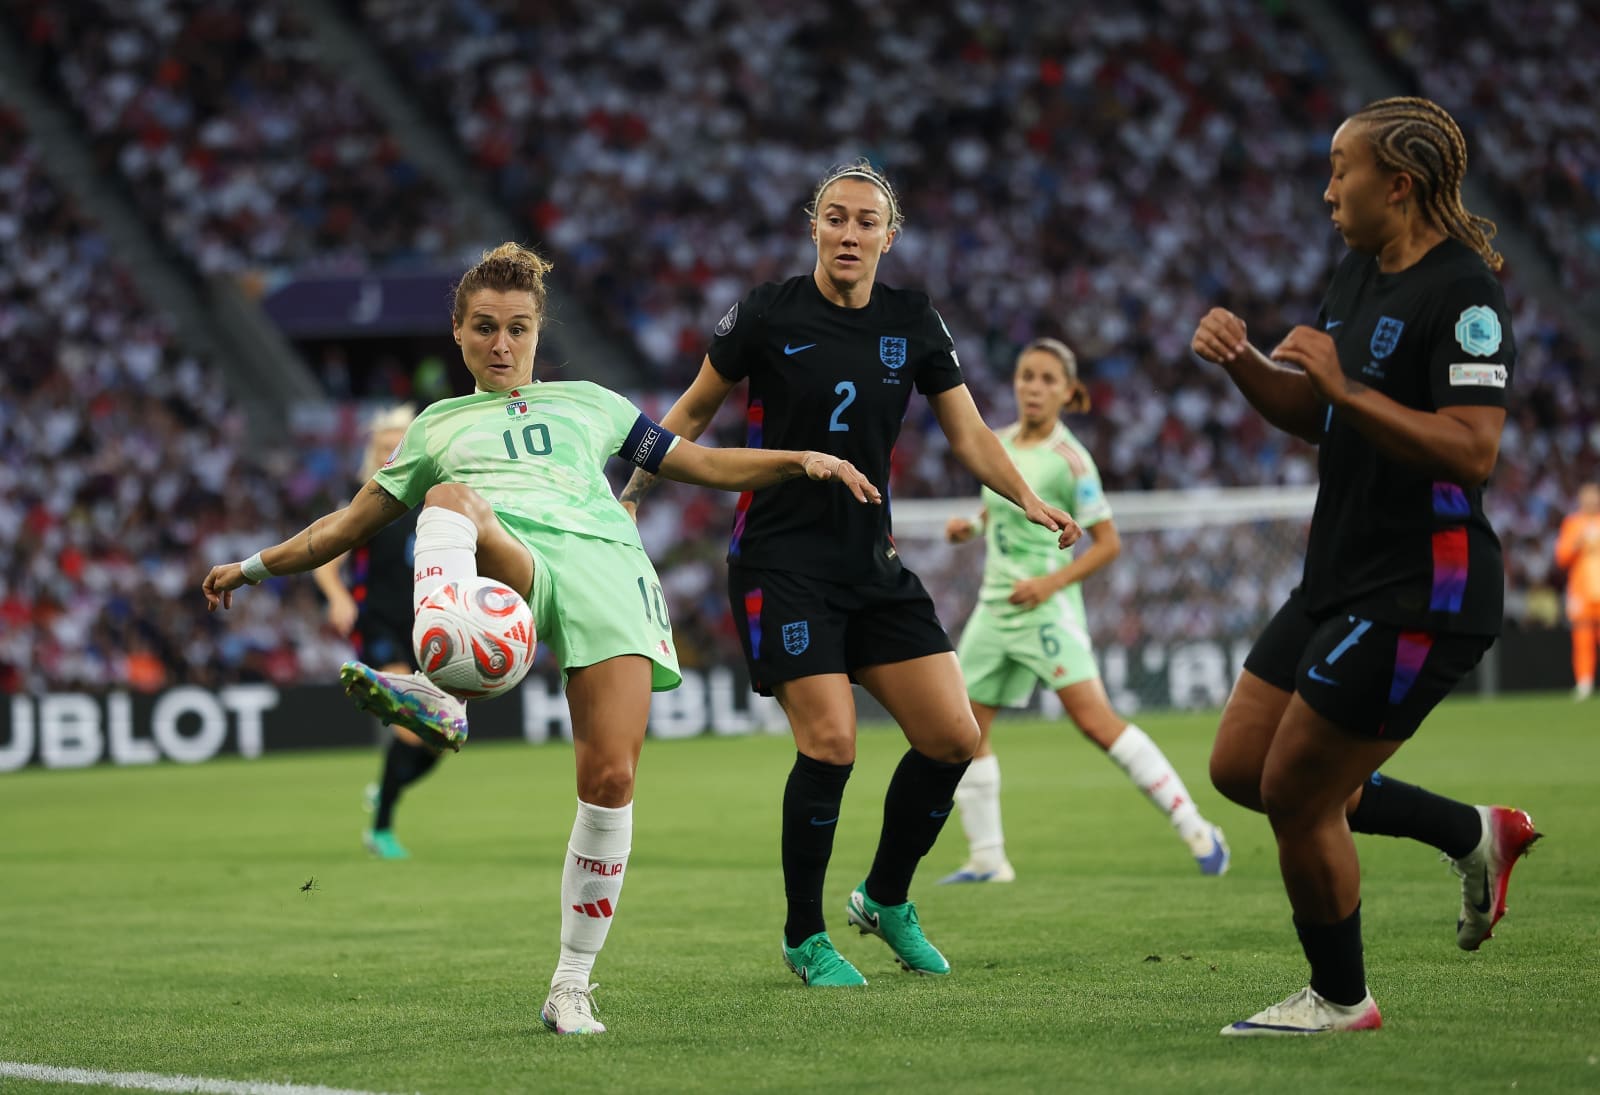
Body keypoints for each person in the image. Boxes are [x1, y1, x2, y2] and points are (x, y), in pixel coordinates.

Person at [202, 242, 882, 1035]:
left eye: (517, 328)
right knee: (448, 500)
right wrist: (252, 566)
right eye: (484, 327)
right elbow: (343, 527)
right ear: (458, 333)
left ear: (536, 331)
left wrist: (800, 458)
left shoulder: (591, 403)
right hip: (514, 560)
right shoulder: (434, 427)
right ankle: (438, 686)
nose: (501, 344)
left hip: (608, 574)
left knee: (611, 779)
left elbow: (698, 460)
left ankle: (570, 986)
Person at [619, 161, 1082, 987]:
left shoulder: (913, 320)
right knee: (831, 743)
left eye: (867, 221)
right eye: (835, 217)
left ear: (888, 237)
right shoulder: (767, 311)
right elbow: (691, 411)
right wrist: (631, 497)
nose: (849, 232)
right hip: (780, 561)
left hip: (871, 562)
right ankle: (804, 934)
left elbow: (971, 435)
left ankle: (885, 896)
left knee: (954, 737)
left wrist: (1026, 497)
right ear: (814, 227)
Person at [1192, 98, 1540, 1037]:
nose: (1327, 189)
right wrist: (1243, 363)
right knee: (1242, 766)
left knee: (1295, 794)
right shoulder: (1356, 270)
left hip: (1425, 585)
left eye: (1341, 168)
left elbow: (1473, 448)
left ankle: (1341, 999)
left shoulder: (1464, 294)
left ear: (1399, 184)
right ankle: (1471, 832)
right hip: (1340, 572)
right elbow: (1319, 412)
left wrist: (1344, 387)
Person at [938, 338, 1229, 885]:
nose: (1033, 387)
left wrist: (1049, 584)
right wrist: (970, 527)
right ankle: (988, 858)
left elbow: (1108, 543)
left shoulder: (1071, 459)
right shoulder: (997, 443)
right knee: (966, 731)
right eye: (1026, 376)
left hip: (1046, 611)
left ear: (1068, 392)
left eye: (1047, 379)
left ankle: (1196, 827)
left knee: (1096, 723)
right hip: (994, 610)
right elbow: (997, 508)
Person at [311, 405, 433, 860]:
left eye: (397, 445)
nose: (390, 453)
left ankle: (386, 789)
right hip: (378, 625)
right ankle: (381, 830)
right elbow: (325, 559)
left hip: (427, 627)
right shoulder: (366, 502)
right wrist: (338, 597)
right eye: (383, 446)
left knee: (440, 740)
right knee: (411, 725)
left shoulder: (432, 501)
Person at [1554, 482, 1600, 700]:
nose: (1591, 501)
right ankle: (1584, 682)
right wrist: (1578, 543)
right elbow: (1562, 557)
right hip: (1581, 591)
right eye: (1587, 497)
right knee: (1582, 638)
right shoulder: (1572, 523)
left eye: (1594, 496)